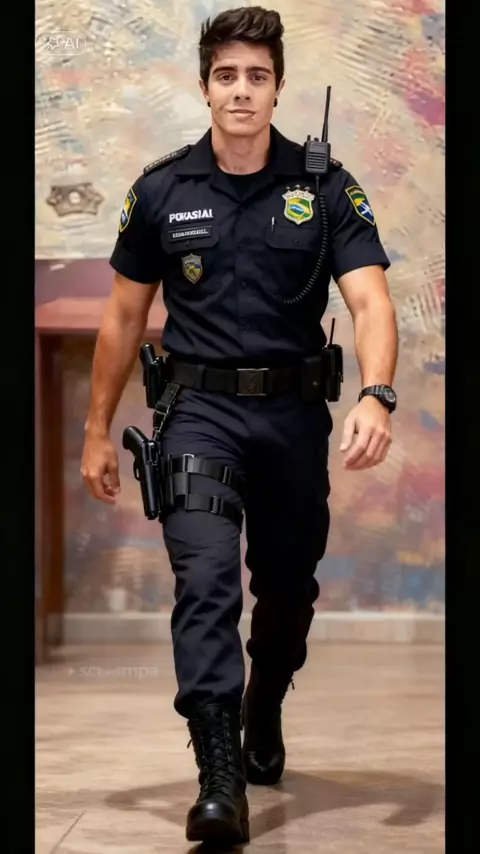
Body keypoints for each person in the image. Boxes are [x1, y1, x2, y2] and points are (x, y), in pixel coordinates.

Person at [81, 5, 398, 846]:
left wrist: (377, 394)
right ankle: (219, 778)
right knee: (207, 582)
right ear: (205, 86)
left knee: (287, 589)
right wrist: (96, 429)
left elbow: (370, 299)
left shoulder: (326, 188)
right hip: (198, 416)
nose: (242, 91)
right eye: (227, 75)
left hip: (293, 418)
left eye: (258, 76)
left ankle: (267, 699)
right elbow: (122, 318)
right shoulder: (162, 191)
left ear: (278, 87)